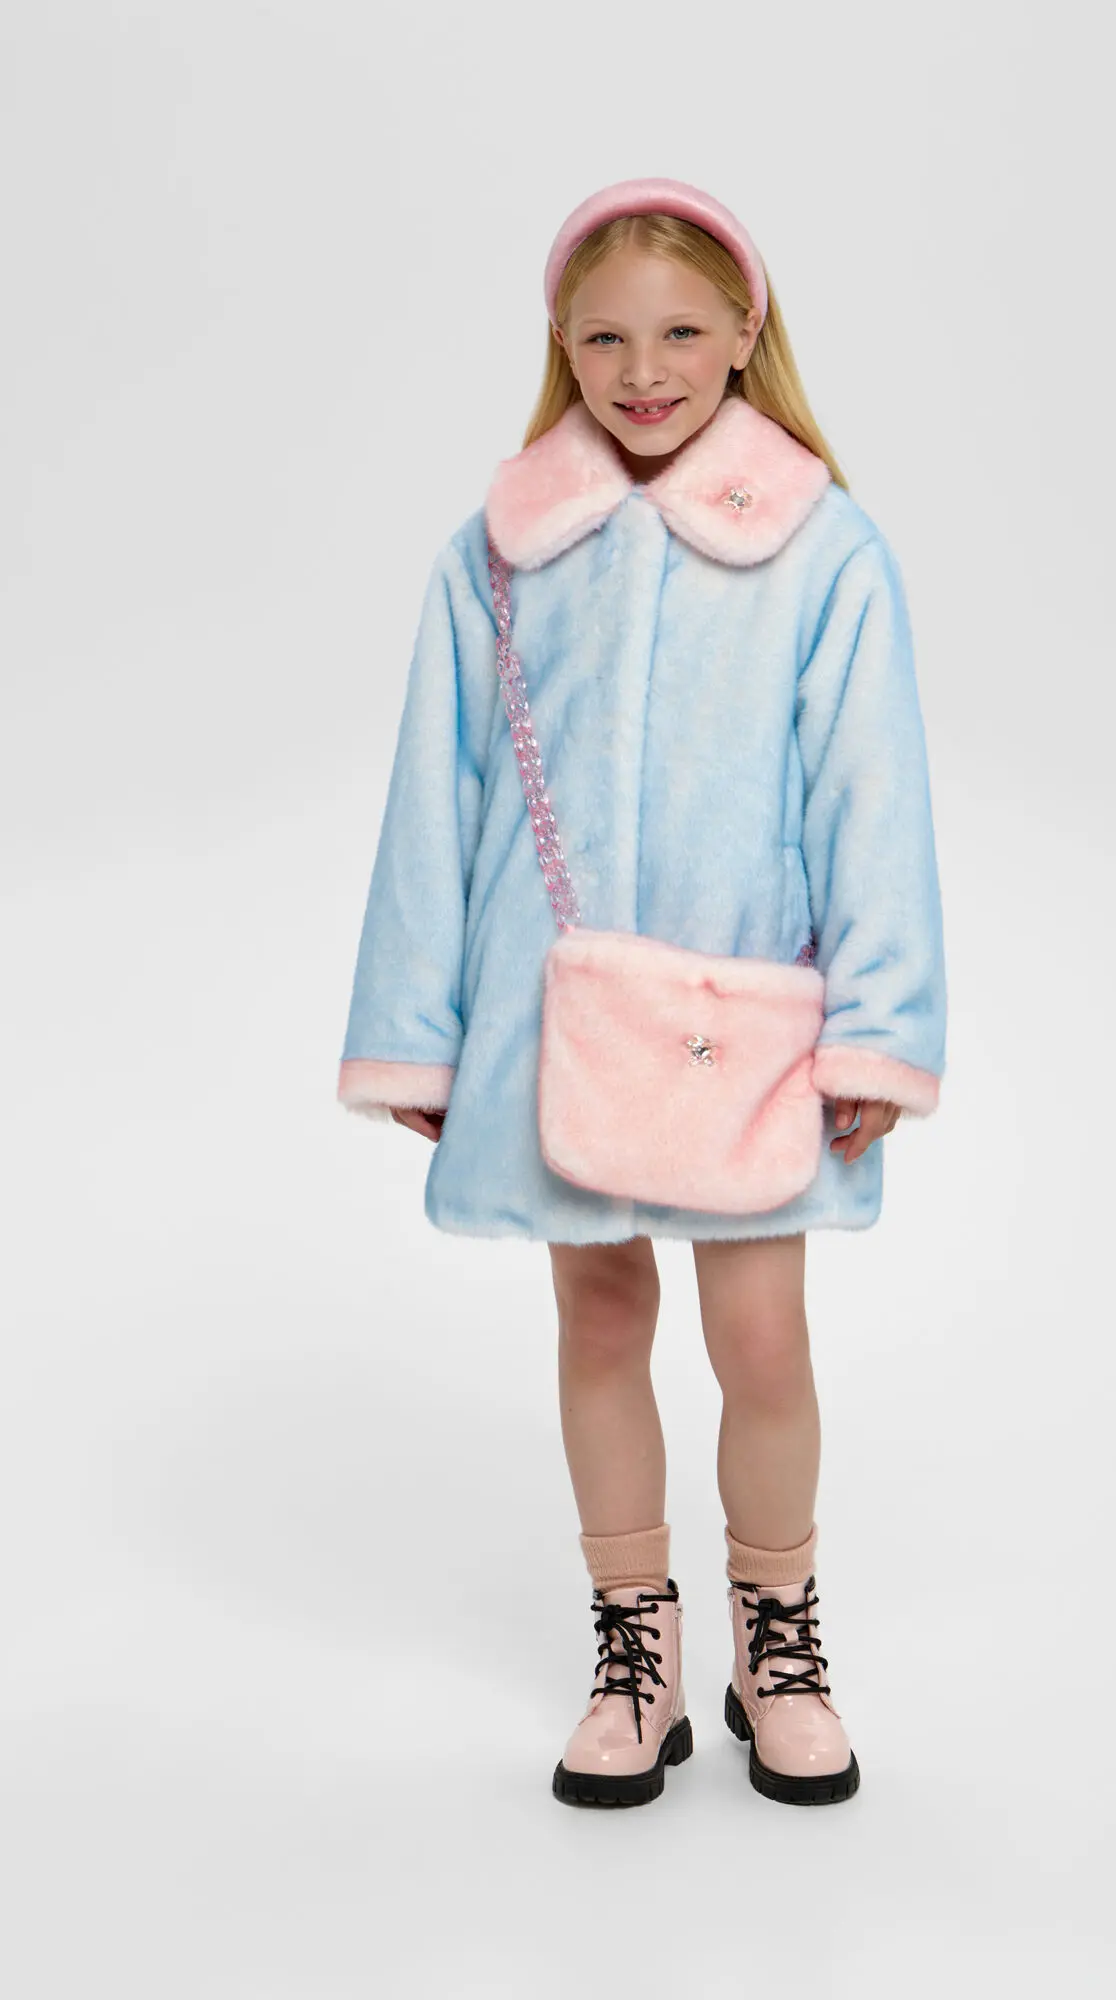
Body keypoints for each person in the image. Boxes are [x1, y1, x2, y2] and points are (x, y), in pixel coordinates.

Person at [335, 177, 948, 1809]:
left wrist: (878, 1030)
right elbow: (435, 799)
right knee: (599, 1317)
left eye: (679, 332)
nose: (643, 369)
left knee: (761, 1335)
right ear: (561, 343)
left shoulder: (824, 547)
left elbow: (871, 797)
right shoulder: (499, 552)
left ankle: (777, 1640)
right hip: (549, 1021)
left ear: (745, 332)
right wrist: (418, 1033)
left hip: (750, 1024)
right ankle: (633, 1647)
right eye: (603, 339)